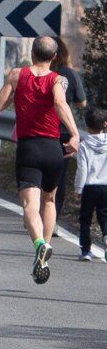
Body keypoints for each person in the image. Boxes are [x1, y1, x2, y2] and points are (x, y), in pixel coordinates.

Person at [0, 35, 80, 284]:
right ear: (54, 57)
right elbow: (60, 104)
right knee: (49, 200)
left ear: (31, 53)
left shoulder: (17, 75)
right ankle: (46, 248)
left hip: (28, 148)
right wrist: (74, 134)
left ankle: (39, 243)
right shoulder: (58, 79)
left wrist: (12, 95)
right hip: (53, 149)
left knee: (30, 205)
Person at [53, 37, 88, 216]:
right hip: (63, 131)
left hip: (39, 130)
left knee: (37, 175)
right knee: (59, 176)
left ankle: (35, 215)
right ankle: (53, 218)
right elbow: (82, 103)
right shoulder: (69, 74)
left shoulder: (37, 72)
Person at [75, 107, 107, 261]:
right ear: (105, 124)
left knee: (85, 219)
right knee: (104, 217)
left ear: (87, 126)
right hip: (106, 186)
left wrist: (78, 189)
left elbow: (82, 169)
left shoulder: (84, 145)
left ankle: (86, 250)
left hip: (89, 187)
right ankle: (106, 236)